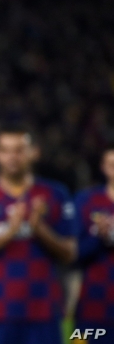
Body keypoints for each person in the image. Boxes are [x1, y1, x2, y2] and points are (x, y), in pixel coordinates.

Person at [0, 125, 76, 344]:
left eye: (19, 150)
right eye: (6, 150)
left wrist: (39, 228)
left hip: (43, 309)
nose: (12, 157)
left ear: (34, 152)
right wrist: (9, 232)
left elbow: (70, 254)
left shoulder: (55, 194)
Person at [72, 145, 114, 344]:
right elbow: (73, 254)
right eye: (112, 165)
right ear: (103, 167)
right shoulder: (86, 201)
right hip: (93, 306)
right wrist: (100, 236)